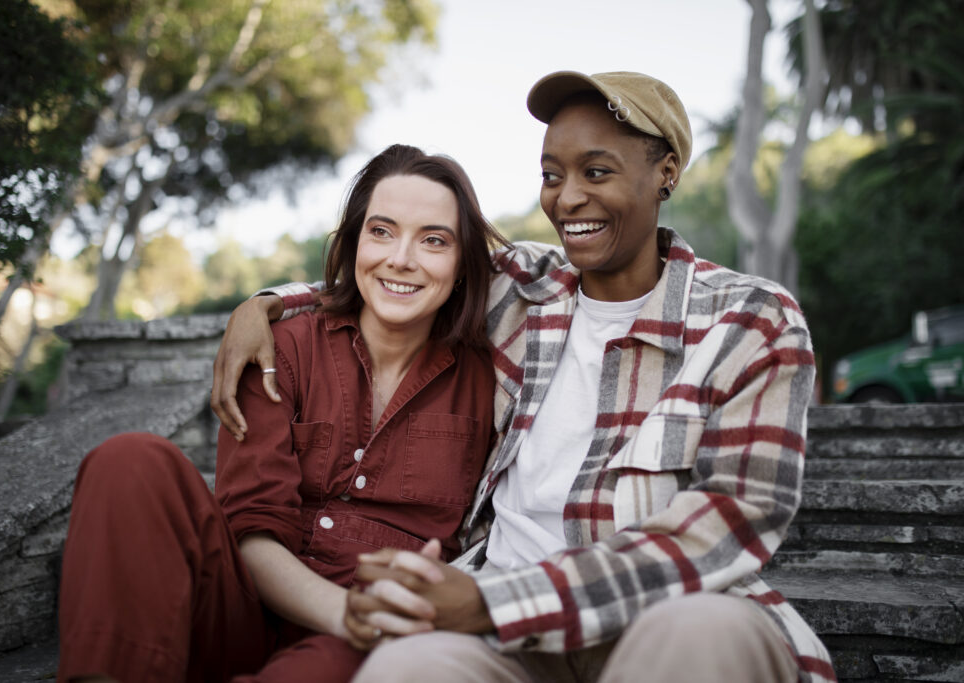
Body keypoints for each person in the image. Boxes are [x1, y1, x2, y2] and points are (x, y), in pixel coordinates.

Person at [211, 71, 837, 683]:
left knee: (700, 634)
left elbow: (728, 523)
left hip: (660, 613)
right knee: (405, 666)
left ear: (665, 173)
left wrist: (494, 602)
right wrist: (263, 304)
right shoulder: (524, 291)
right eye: (551, 175)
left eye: (597, 172)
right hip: (507, 637)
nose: (567, 198)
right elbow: (396, 273)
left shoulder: (750, 320)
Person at [56, 144, 510, 683]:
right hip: (246, 606)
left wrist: (364, 619)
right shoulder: (281, 347)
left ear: (462, 266)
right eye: (381, 231)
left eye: (434, 240)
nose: (401, 258)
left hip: (371, 632)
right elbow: (250, 528)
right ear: (353, 243)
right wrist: (263, 306)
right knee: (127, 460)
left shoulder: (496, 378)